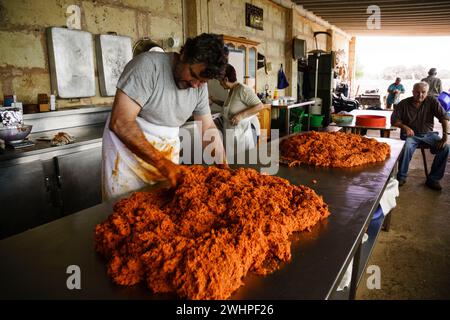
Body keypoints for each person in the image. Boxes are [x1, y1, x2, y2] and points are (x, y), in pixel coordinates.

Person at [102, 33, 228, 200]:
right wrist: (164, 165)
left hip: (165, 158)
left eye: (202, 82)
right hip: (127, 161)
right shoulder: (147, 67)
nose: (195, 85)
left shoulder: (198, 87)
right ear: (184, 54)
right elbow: (121, 122)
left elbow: (208, 128)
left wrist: (223, 166)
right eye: (193, 75)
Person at [391, 82, 449, 191]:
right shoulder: (404, 103)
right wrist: (404, 127)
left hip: (428, 135)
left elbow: (444, 117)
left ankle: (433, 179)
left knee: (446, 148)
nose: (420, 95)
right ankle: (401, 177)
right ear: (413, 92)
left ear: (427, 93)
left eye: (423, 92)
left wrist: (445, 137)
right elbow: (394, 120)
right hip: (411, 136)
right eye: (417, 92)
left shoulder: (432, 101)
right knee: (407, 147)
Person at [210, 64, 264, 151]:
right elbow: (229, 107)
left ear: (226, 79)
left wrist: (241, 116)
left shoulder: (243, 89)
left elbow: (260, 106)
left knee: (243, 160)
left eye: (220, 81)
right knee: (234, 161)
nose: (220, 84)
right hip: (233, 134)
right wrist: (214, 100)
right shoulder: (232, 90)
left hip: (243, 134)